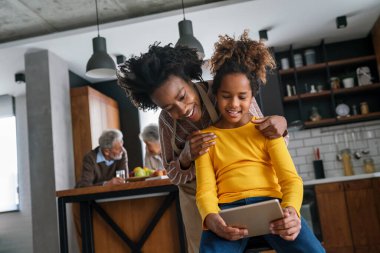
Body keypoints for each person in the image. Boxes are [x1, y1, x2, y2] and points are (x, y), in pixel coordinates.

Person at [117, 42, 288, 253]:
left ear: (189, 80)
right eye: (169, 107)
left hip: (246, 189)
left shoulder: (226, 91)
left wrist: (281, 125)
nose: (182, 109)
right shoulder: (167, 122)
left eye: (182, 97)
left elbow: (270, 143)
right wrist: (186, 157)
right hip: (200, 200)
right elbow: (172, 174)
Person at [195, 31, 325, 253]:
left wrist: (291, 211)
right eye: (226, 95)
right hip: (228, 213)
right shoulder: (205, 139)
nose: (233, 104)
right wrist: (210, 217)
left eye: (242, 96)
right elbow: (205, 190)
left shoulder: (267, 130)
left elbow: (291, 180)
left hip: (273, 209)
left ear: (251, 96)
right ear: (216, 94)